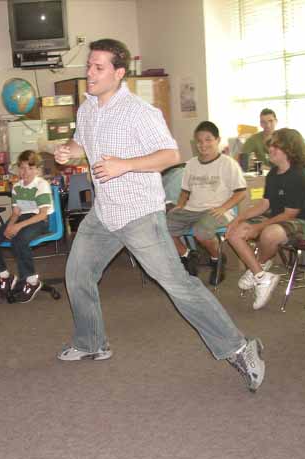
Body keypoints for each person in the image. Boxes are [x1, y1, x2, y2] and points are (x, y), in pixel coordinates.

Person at [53, 38, 265, 393]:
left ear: (119, 73)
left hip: (139, 214)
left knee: (179, 286)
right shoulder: (87, 108)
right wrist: (67, 151)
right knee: (77, 274)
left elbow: (170, 155)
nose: (90, 72)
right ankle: (91, 342)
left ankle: (241, 349)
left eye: (99, 67)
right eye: (89, 65)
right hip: (105, 213)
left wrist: (125, 165)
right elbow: (81, 143)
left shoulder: (139, 112)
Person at [227, 128, 305, 310]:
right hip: (280, 218)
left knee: (270, 234)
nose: (269, 149)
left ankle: (258, 266)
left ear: (289, 150)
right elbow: (265, 204)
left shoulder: (299, 176)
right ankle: (261, 276)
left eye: (275, 146)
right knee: (234, 233)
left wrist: (258, 227)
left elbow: (290, 214)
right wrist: (239, 218)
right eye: (270, 145)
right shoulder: (273, 174)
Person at [166, 121, 246, 285]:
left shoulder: (228, 163)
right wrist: (180, 205)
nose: (203, 145)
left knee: (201, 231)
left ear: (218, 140)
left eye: (208, 140)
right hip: (192, 209)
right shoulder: (191, 164)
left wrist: (223, 208)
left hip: (217, 210)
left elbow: (241, 192)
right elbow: (185, 191)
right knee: (162, 227)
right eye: (199, 141)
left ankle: (217, 259)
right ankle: (187, 255)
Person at [0, 150, 53, 303]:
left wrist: (18, 227)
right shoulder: (16, 187)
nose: (25, 172)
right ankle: (5, 276)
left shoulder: (41, 185)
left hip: (38, 221)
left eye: (30, 168)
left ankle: (32, 281)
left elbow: (42, 215)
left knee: (19, 240)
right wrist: (10, 226)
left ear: (37, 170)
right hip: (20, 219)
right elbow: (15, 212)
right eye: (22, 168)